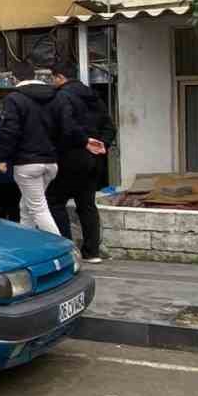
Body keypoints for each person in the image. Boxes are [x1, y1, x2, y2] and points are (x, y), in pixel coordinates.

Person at [48, 61, 117, 262]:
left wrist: (85, 142)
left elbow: (66, 127)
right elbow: (110, 127)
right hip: (94, 160)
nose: (52, 82)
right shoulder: (94, 97)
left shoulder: (61, 97)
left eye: (53, 78)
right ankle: (92, 251)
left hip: (69, 157)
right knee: (87, 205)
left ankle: (68, 250)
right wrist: (101, 145)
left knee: (55, 202)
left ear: (60, 77)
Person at [0, 61, 64, 235]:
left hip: (27, 164)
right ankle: (25, 242)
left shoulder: (14, 98)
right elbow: (64, 127)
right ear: (34, 75)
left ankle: (63, 246)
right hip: (51, 162)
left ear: (14, 78)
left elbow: (11, 131)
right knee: (26, 207)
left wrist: (3, 158)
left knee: (38, 209)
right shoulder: (55, 96)